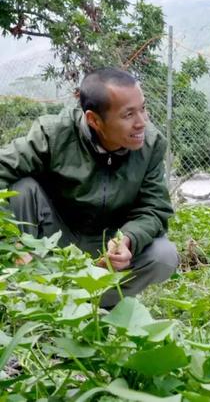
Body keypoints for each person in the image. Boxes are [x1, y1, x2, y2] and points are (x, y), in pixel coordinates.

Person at [0, 67, 179, 308]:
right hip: (53, 242)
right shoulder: (54, 134)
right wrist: (13, 242)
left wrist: (127, 239)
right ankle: (24, 292)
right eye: (128, 115)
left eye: (143, 109)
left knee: (164, 256)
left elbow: (154, 208)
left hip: (107, 251)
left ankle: (77, 302)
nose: (142, 123)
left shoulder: (151, 145)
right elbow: (3, 167)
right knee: (22, 188)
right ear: (94, 120)